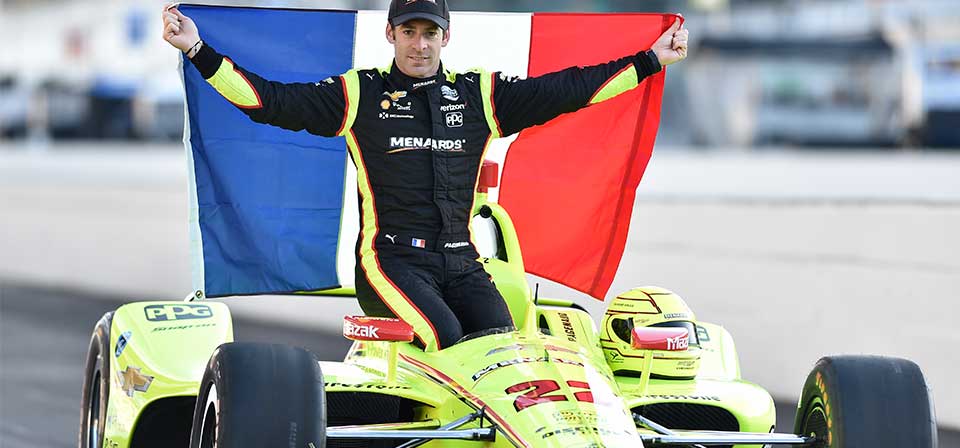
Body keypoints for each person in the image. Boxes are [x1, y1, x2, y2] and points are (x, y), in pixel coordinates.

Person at [162, 0, 689, 352]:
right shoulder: (359, 93)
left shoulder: (480, 94)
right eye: (409, 32)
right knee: (446, 337)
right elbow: (267, 101)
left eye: (430, 32)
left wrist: (651, 60)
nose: (420, 44)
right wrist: (197, 51)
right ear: (390, 34)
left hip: (462, 263)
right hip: (390, 262)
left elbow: (569, 90)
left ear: (446, 36)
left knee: (503, 351)